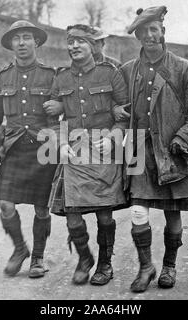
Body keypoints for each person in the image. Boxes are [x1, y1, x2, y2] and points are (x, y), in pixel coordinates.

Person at [118, 6, 188, 292]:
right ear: (138, 36)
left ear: (163, 32)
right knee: (137, 212)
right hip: (138, 150)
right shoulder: (127, 71)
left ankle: (169, 265)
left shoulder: (182, 68)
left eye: (153, 30)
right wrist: (118, 111)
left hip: (172, 152)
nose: (149, 36)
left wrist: (182, 138)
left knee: (173, 214)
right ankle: (146, 267)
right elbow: (118, 109)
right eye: (143, 31)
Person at [46, 24, 129, 286]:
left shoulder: (110, 73)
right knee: (72, 215)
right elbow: (50, 117)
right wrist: (59, 143)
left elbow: (125, 112)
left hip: (103, 151)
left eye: (80, 42)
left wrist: (114, 138)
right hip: (73, 151)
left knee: (105, 214)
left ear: (92, 45)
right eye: (70, 42)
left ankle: (105, 263)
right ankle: (85, 258)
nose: (74, 47)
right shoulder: (61, 78)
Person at [0, 20, 58, 279]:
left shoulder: (51, 75)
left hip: (44, 148)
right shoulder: (3, 77)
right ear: (11, 44)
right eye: (17, 39)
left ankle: (38, 258)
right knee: (6, 205)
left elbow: (61, 112)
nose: (22, 43)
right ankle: (20, 249)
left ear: (36, 42)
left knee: (42, 208)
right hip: (12, 148)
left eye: (27, 37)